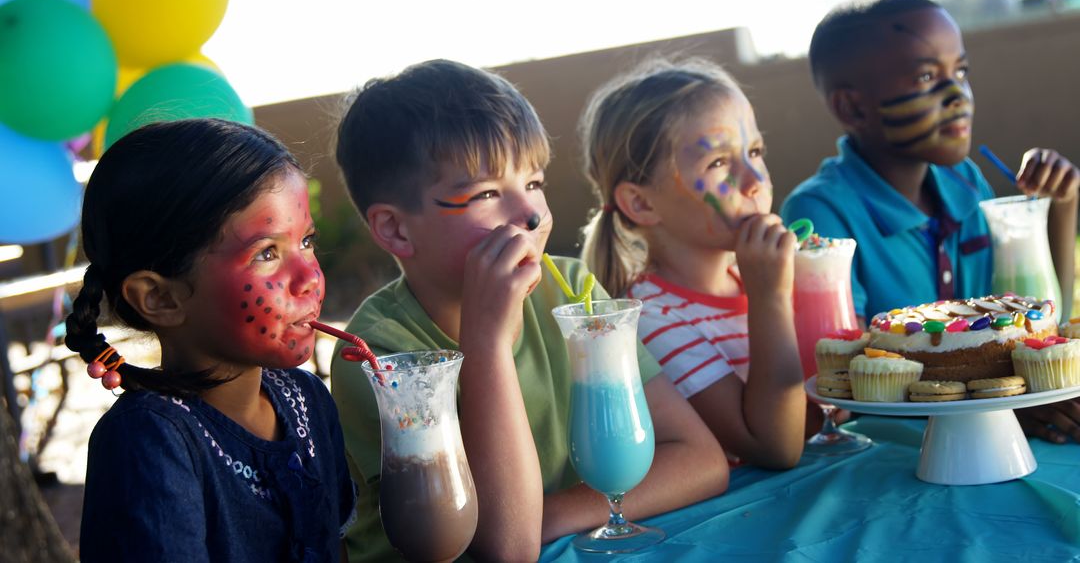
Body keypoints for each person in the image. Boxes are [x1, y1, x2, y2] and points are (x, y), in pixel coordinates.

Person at [331, 59, 728, 562]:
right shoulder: (382, 353)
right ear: (395, 230)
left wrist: (550, 515)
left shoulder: (573, 294)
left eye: (534, 182)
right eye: (488, 193)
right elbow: (505, 546)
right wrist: (488, 342)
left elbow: (701, 460)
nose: (531, 214)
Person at [781, 0, 1080, 443]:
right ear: (853, 108)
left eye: (961, 72)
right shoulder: (822, 211)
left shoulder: (964, 182)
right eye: (926, 76)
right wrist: (996, 409)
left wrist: (1061, 206)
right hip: (892, 448)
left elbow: (1040, 318)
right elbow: (853, 380)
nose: (958, 95)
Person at [67, 118, 356, 562]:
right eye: (267, 253)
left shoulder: (308, 400)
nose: (309, 278)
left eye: (307, 242)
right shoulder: (149, 442)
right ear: (160, 298)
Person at [579, 58, 810, 469]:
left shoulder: (752, 280)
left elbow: (811, 417)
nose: (755, 179)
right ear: (642, 203)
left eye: (754, 151)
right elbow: (776, 446)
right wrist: (771, 298)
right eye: (719, 163)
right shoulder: (649, 320)